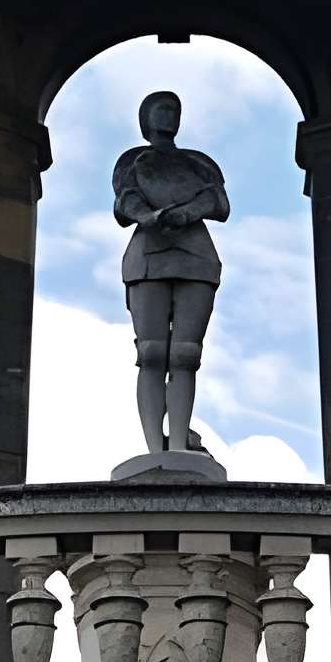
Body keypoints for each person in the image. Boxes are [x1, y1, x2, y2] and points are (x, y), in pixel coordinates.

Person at [112, 91, 230, 454]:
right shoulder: (133, 160)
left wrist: (188, 212)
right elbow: (125, 201)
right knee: (150, 352)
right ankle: (154, 448)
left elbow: (219, 202)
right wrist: (150, 217)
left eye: (174, 109)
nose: (169, 115)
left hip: (194, 255)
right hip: (149, 254)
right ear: (146, 117)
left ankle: (178, 445)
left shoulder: (198, 162)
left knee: (185, 354)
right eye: (162, 109)